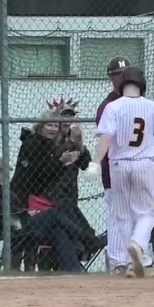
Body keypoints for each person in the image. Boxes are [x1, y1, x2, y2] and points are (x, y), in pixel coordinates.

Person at [95, 56, 154, 273]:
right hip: (137, 165)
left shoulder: (114, 106)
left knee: (123, 214)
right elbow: (150, 132)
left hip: (119, 164)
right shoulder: (146, 106)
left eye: (123, 74)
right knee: (137, 213)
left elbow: (109, 136)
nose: (119, 78)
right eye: (116, 74)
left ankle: (131, 259)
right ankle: (126, 256)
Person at [0, 156, 85, 272]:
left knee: (58, 231)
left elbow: (12, 205)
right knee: (53, 214)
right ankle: (84, 238)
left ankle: (74, 270)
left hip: (18, 222)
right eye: (2, 172)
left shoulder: (0, 189)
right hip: (7, 226)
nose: (5, 175)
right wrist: (23, 213)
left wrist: (23, 212)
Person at [43, 97, 107, 259]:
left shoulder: (75, 141)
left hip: (70, 197)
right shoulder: (50, 139)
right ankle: (80, 251)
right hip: (52, 197)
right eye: (64, 116)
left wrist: (79, 144)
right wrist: (70, 143)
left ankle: (80, 253)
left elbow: (85, 165)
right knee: (78, 232)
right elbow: (51, 161)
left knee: (84, 232)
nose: (68, 120)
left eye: (71, 117)